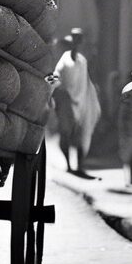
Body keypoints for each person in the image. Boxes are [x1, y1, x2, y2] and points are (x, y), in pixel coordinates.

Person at [52, 28, 100, 178]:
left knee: (81, 135)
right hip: (66, 103)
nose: (76, 43)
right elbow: (56, 77)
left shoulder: (82, 62)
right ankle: (68, 165)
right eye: (74, 39)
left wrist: (90, 97)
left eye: (79, 40)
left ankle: (79, 165)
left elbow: (86, 82)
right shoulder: (64, 61)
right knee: (65, 134)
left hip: (82, 103)